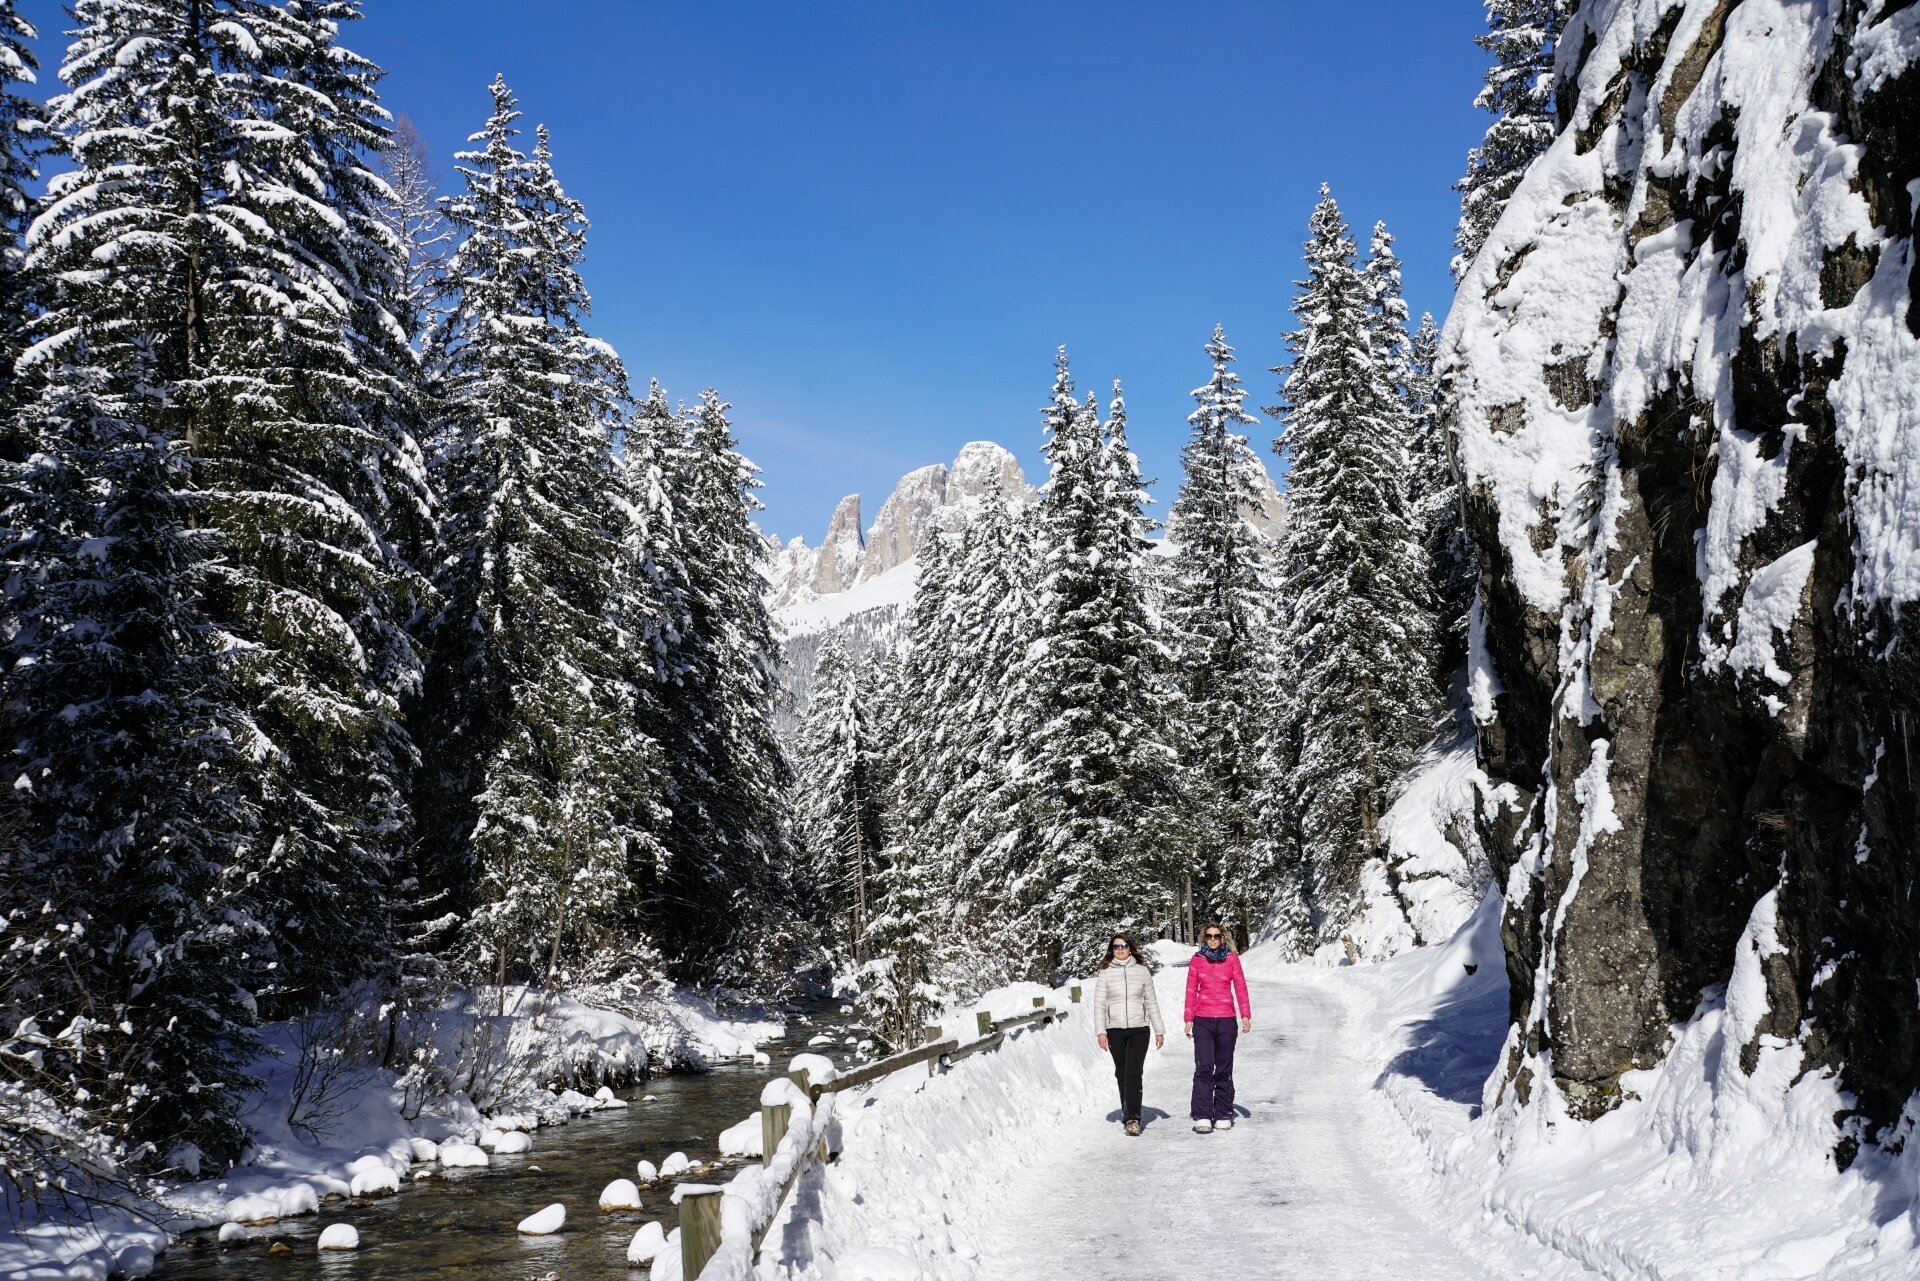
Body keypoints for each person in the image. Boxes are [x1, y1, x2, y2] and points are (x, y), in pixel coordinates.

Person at [1094, 932, 1164, 1136]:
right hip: (1114, 1030)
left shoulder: (1142, 972)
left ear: (1130, 948)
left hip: (1139, 1029)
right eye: (1116, 947)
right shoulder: (1105, 973)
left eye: (1124, 946)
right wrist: (1101, 1032)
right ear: (1112, 950)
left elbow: (1151, 1001)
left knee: (1133, 1072)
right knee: (1122, 1073)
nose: (1120, 949)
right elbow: (1099, 1005)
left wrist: (1159, 1030)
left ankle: (1133, 1118)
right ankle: (1128, 1110)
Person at [1183, 923, 1251, 1133]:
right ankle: (1202, 1114)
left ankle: (1223, 1113)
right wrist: (1188, 1018)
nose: (1212, 939)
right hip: (1202, 1020)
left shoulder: (1231, 959)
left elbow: (1240, 986)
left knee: (1223, 1068)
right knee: (1204, 1067)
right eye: (1209, 936)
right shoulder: (1197, 960)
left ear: (1223, 938)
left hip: (1226, 1020)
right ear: (1205, 938)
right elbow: (1191, 988)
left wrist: (1245, 1015)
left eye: (1216, 936)